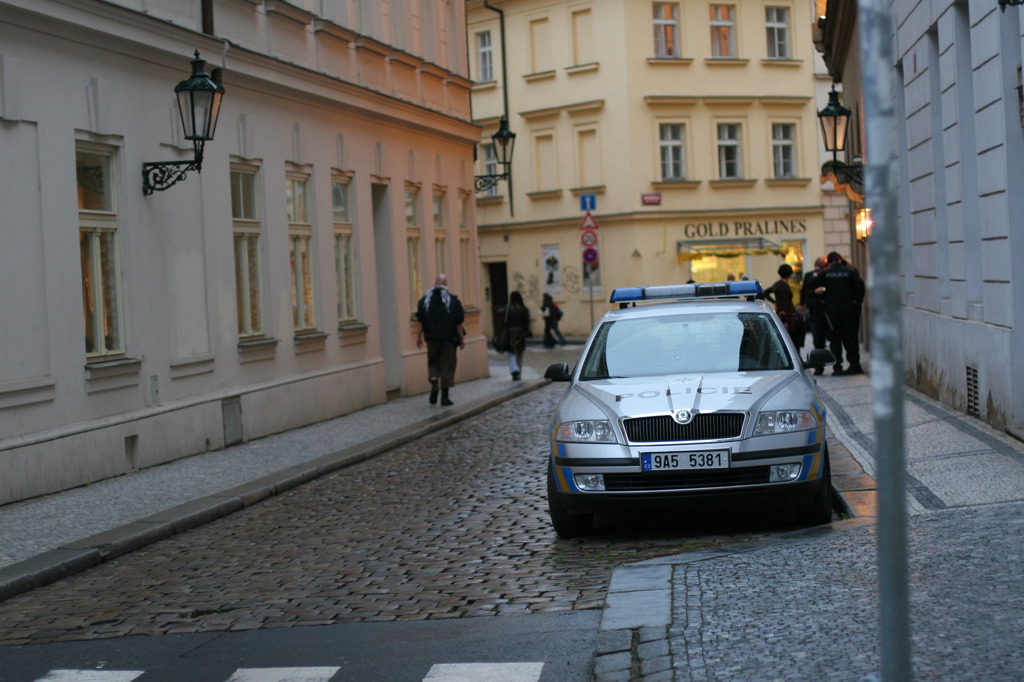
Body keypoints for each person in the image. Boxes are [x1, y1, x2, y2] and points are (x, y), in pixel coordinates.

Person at [416, 274, 465, 406]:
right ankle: (445, 397)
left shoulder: (425, 300)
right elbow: (458, 323)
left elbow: (420, 321)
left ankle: (434, 381)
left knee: (433, 362)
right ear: (446, 283)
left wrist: (418, 336)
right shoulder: (453, 301)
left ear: (435, 283)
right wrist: (462, 338)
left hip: (431, 338)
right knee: (447, 366)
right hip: (449, 339)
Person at [817, 252, 866, 375]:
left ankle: (837, 366)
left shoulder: (825, 274)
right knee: (851, 338)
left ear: (829, 262)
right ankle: (855, 365)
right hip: (848, 308)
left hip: (832, 310)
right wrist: (857, 301)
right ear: (839, 260)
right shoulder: (850, 272)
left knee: (835, 340)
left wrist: (821, 295)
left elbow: (811, 286)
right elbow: (861, 285)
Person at [764, 263, 805, 350]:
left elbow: (766, 292)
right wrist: (785, 320)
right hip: (788, 316)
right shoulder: (785, 287)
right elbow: (785, 304)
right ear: (790, 274)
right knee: (794, 341)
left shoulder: (778, 284)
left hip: (781, 313)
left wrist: (774, 302)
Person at [800, 256, 830, 373]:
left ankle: (819, 366)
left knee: (817, 336)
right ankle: (823, 364)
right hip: (820, 309)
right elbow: (805, 291)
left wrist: (803, 302)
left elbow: (804, 291)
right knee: (820, 336)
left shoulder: (809, 275)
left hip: (817, 309)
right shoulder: (819, 275)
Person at [497, 291, 531, 380]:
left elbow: (501, 321)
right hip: (520, 332)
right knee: (519, 353)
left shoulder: (507, 308)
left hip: (509, 332)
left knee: (511, 352)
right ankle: (518, 371)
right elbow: (527, 323)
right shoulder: (524, 309)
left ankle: (514, 370)